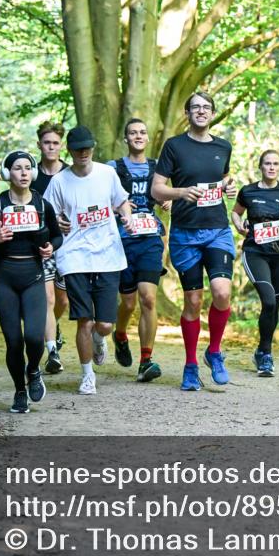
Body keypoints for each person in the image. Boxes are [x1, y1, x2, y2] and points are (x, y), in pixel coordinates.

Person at [152, 92, 237, 391]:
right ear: (187, 112)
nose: (201, 111)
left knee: (222, 291)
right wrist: (181, 193)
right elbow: (157, 189)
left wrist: (228, 187)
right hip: (185, 234)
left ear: (213, 113)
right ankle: (190, 365)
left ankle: (213, 351)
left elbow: (224, 177)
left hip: (217, 229)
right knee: (193, 300)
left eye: (206, 107)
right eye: (195, 107)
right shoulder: (174, 146)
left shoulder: (223, 146)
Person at [44, 125, 133, 396]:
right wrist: (56, 222)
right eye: (78, 148)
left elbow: (122, 201)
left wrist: (127, 216)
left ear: (93, 148)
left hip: (107, 255)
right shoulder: (59, 181)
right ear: (69, 151)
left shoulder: (107, 174)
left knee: (104, 324)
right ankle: (87, 375)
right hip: (74, 257)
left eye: (87, 147)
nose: (83, 152)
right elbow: (48, 215)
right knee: (84, 319)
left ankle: (99, 339)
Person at [0, 151, 62, 413]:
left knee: (34, 338)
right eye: (16, 168)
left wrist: (50, 248)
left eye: (27, 168)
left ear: (33, 173)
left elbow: (57, 237)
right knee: (14, 342)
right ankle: (20, 391)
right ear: (7, 174)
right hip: (5, 279)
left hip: (34, 276)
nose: (23, 173)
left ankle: (33, 370)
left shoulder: (43, 205)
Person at [107, 118, 171, 383]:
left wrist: (169, 201)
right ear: (126, 139)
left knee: (148, 298)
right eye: (132, 132)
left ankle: (146, 360)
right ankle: (120, 334)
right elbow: (99, 199)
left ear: (147, 138)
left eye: (142, 132)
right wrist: (116, 207)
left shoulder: (158, 168)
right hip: (121, 240)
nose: (138, 136)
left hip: (150, 239)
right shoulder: (113, 168)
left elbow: (169, 194)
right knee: (129, 302)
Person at [231, 149, 279, 377]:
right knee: (269, 302)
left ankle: (263, 353)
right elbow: (235, 213)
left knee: (275, 307)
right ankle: (266, 353)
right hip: (255, 253)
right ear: (261, 166)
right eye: (267, 164)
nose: (271, 167)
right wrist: (239, 225)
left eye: (275, 164)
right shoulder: (248, 191)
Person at [31, 121, 69, 374]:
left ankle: (53, 325)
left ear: (61, 145)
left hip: (68, 244)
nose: (51, 147)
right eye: (47, 143)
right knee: (47, 297)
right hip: (41, 245)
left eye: (55, 143)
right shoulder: (31, 173)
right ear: (39, 145)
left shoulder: (70, 172)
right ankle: (52, 351)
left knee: (62, 301)